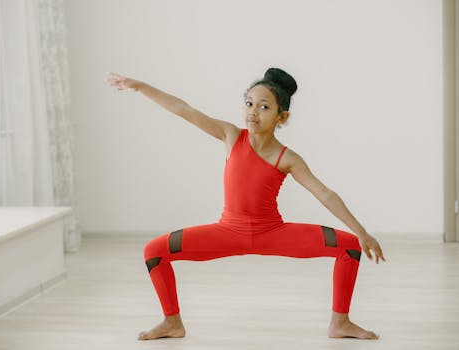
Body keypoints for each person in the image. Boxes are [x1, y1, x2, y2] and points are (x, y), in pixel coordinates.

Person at [107, 68, 385, 341]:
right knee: (153, 251)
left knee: (349, 246)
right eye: (249, 103)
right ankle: (172, 323)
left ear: (281, 116)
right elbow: (184, 110)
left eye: (264, 106)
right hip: (227, 232)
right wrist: (140, 87)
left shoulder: (286, 158)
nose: (252, 111)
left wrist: (362, 232)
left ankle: (340, 323)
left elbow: (324, 194)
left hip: (273, 234)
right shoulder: (231, 136)